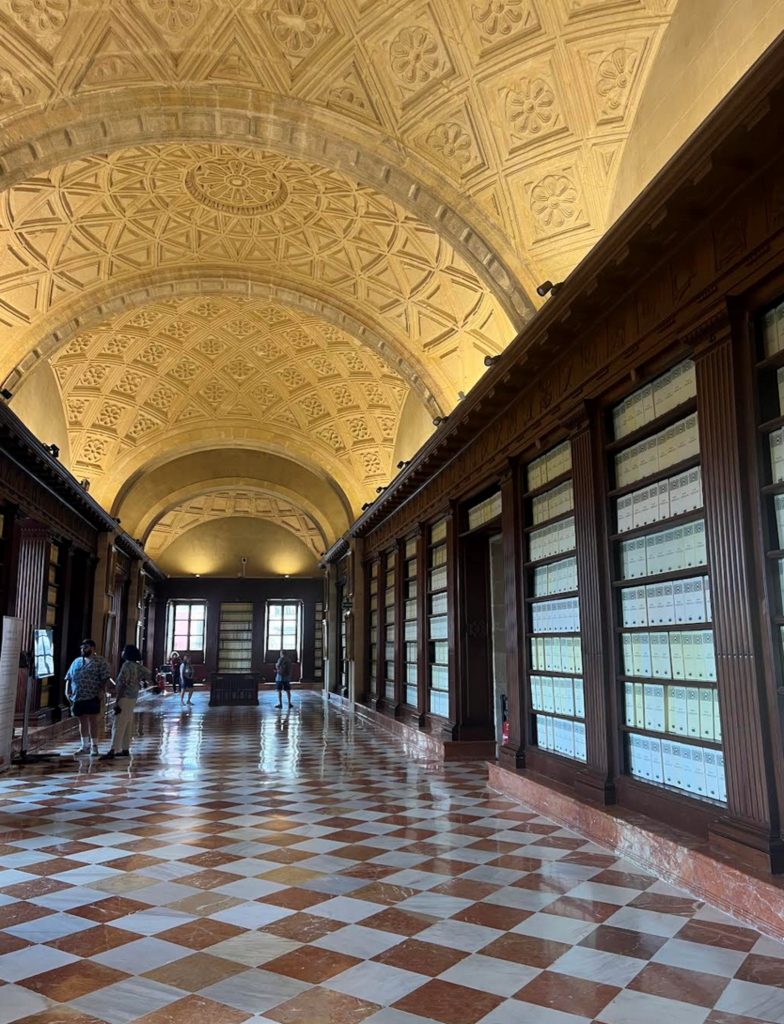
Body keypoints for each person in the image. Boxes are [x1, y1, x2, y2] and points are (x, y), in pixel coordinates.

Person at [64, 639, 112, 756]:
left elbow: (105, 678)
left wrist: (102, 691)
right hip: (78, 696)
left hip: (92, 695)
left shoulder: (100, 662)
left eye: (85, 647)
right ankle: (84, 746)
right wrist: (67, 690)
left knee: (92, 720)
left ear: (92, 648)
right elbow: (69, 676)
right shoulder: (77, 661)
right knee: (82, 721)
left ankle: (94, 746)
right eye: (81, 648)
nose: (82, 650)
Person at [100, 644, 149, 760]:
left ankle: (112, 750)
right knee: (127, 723)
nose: (122, 652)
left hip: (125, 697)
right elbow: (148, 673)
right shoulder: (137, 666)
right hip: (133, 697)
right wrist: (138, 681)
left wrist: (117, 700)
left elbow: (122, 684)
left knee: (118, 724)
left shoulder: (126, 665)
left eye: (123, 650)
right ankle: (125, 748)